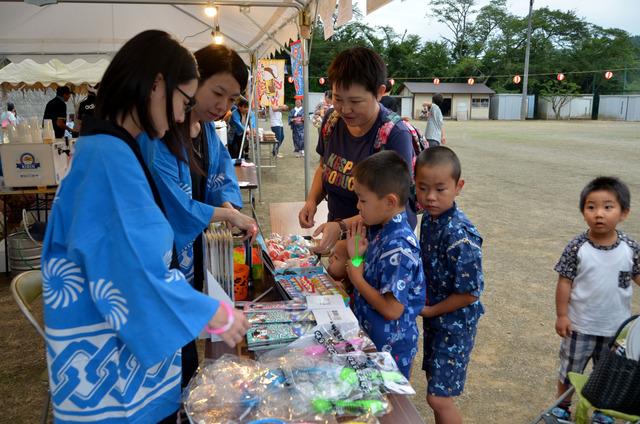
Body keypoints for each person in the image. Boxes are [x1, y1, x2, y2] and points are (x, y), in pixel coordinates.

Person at [41, 30, 249, 424]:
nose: (178, 116)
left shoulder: (106, 147)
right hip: (116, 376)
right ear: (157, 85)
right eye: (183, 101)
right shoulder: (110, 158)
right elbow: (131, 271)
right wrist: (211, 312)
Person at [137, 43, 257, 387]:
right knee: (173, 352)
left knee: (189, 343)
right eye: (218, 93)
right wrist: (228, 216)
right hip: (163, 260)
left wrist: (229, 207)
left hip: (190, 257)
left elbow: (220, 176)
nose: (223, 106)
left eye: (232, 100)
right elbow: (174, 205)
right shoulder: (158, 134)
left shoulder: (204, 129)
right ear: (189, 81)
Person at [298, 47, 415, 254]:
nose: (345, 109)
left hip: (377, 248)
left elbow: (393, 205)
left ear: (379, 93)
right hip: (337, 238)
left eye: (355, 101)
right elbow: (325, 167)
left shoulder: (393, 135)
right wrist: (311, 201)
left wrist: (342, 226)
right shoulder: (332, 121)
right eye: (338, 98)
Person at [550, 176, 639, 423]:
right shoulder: (577, 247)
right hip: (579, 327)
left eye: (608, 207)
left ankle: (602, 411)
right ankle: (562, 407)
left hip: (616, 330)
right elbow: (564, 282)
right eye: (591, 207)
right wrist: (562, 315)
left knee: (610, 375)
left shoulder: (630, 248)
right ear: (583, 211)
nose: (599, 214)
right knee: (570, 370)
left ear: (624, 213)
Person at [415, 146, 484, 424]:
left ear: (458, 187)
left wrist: (431, 311)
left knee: (439, 397)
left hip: (454, 325)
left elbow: (469, 293)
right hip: (436, 320)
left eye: (440, 189)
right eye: (422, 188)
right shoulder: (431, 219)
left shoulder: (460, 235)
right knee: (435, 384)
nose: (430, 197)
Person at [343, 151, 425, 378]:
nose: (358, 206)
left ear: (390, 201)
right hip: (370, 338)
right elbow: (372, 276)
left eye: (362, 199)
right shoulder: (380, 227)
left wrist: (356, 278)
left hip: (389, 349)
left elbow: (392, 309)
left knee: (388, 408)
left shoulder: (398, 245)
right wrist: (357, 257)